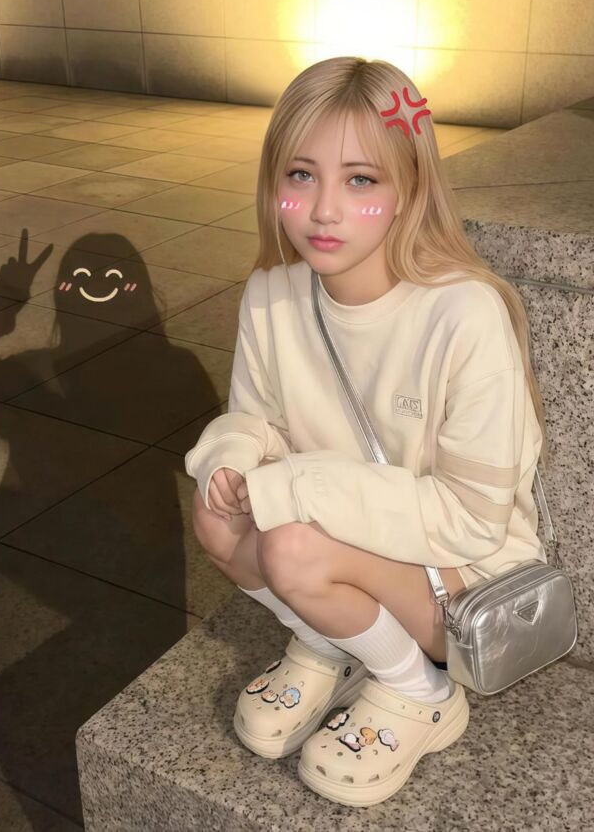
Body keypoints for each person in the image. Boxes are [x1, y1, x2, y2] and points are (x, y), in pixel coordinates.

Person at [185, 56, 550, 807]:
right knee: (217, 518)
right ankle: (334, 640)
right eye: (300, 175)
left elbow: (472, 521)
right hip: (339, 538)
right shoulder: (271, 293)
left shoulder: (462, 313)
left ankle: (420, 691)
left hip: (462, 579)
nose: (324, 209)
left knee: (291, 544)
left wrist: (298, 490)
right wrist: (232, 454)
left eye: (360, 180)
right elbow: (260, 418)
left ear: (410, 186)